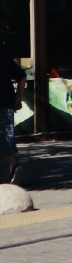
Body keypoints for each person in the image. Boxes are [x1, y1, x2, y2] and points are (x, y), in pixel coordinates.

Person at [0, 47, 26, 185]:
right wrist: (18, 98)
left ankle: (12, 170)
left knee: (5, 140)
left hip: (5, 103)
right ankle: (13, 168)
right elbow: (22, 76)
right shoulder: (4, 55)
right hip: (6, 103)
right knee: (5, 140)